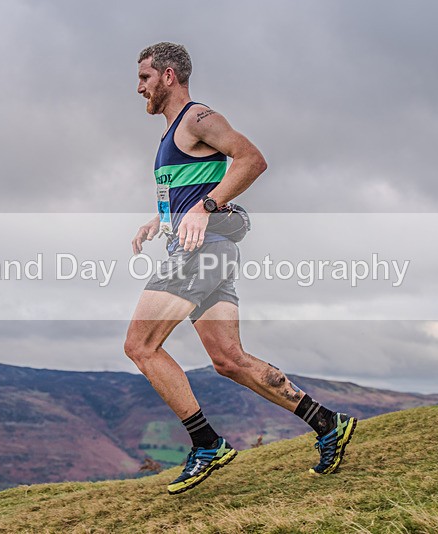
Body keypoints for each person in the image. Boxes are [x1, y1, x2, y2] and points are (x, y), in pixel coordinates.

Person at [125, 42, 356, 495]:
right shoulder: (171, 133)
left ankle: (206, 444)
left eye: (145, 78)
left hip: (199, 253)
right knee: (229, 360)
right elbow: (190, 190)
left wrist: (206, 207)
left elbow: (252, 158)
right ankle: (327, 423)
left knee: (140, 345)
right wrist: (160, 219)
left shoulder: (197, 118)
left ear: (169, 76)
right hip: (208, 252)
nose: (139, 88)